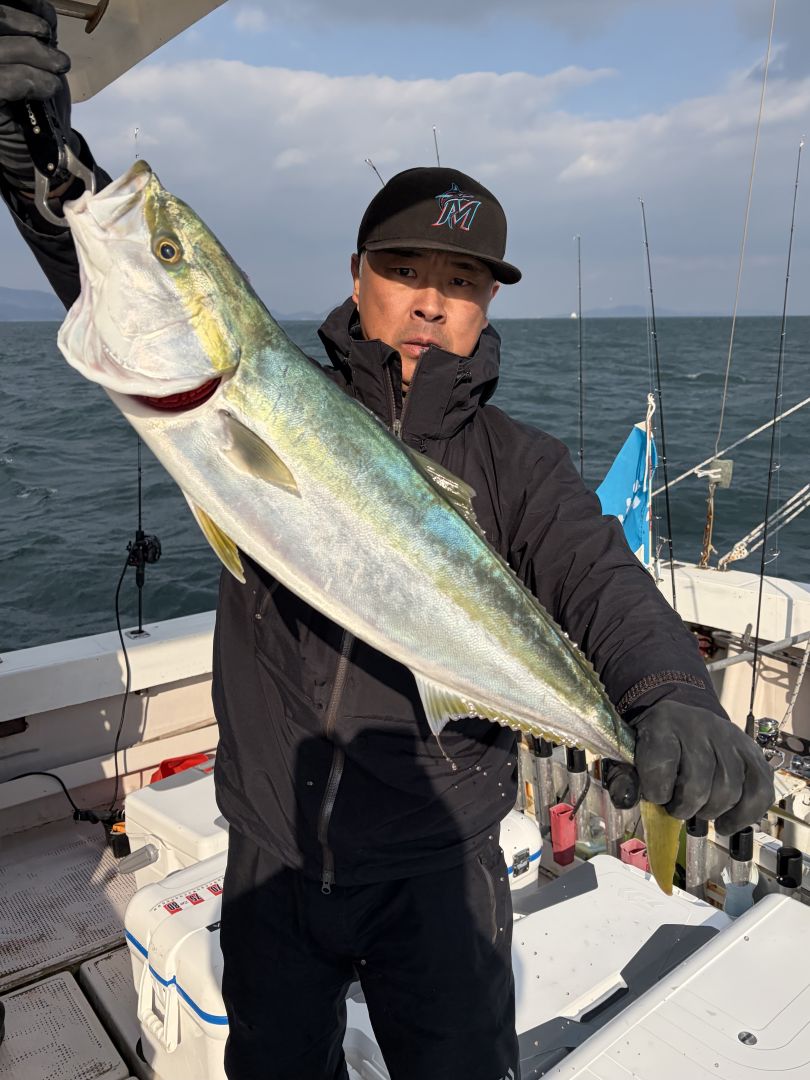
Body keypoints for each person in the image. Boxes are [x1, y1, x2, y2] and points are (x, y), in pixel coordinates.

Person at [0, 4, 774, 1078]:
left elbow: (597, 575)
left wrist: (671, 691)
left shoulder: (518, 462)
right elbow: (124, 285)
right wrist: (35, 149)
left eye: (462, 283)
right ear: (357, 275)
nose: (432, 303)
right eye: (408, 270)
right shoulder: (264, 390)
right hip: (273, 844)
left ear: (486, 306)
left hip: (440, 863)